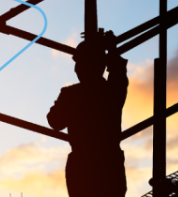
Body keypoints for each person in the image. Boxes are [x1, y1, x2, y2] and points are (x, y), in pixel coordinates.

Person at [47, 29, 128, 197]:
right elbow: (119, 73)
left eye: (79, 63)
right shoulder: (112, 91)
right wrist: (111, 49)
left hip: (83, 166)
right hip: (109, 164)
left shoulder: (71, 95)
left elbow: (55, 122)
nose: (76, 68)